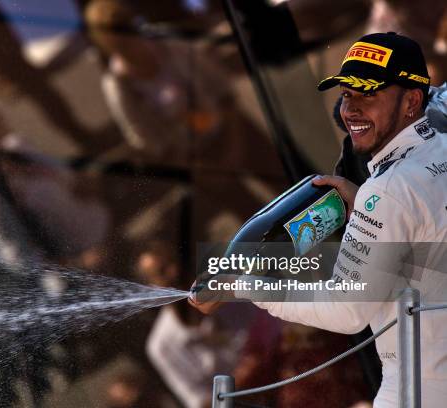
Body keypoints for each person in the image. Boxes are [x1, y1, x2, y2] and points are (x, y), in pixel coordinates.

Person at [189, 32, 447, 407]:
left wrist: (246, 287)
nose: (351, 110)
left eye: (368, 94)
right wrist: (363, 202)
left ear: (411, 100)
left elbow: (347, 310)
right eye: (346, 94)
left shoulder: (389, 192)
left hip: (419, 390)